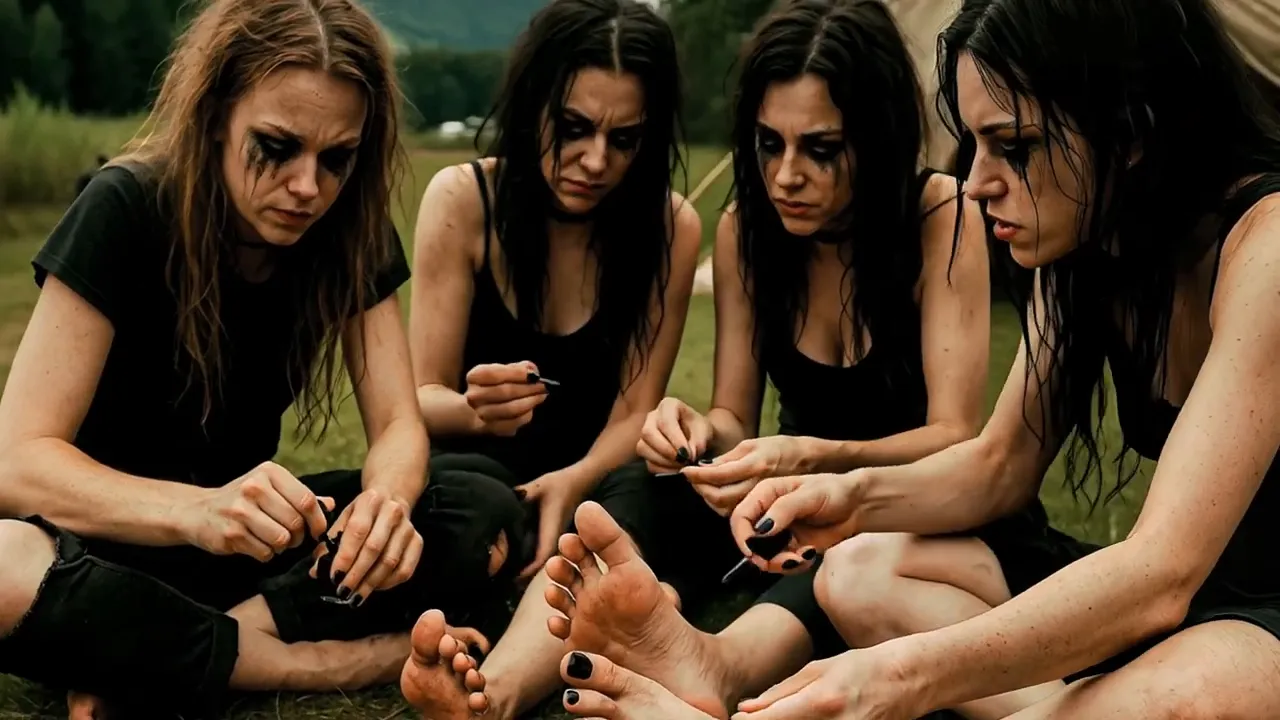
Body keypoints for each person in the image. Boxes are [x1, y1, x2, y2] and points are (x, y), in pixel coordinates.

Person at [681, 0, 1280, 717]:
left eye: (1014, 147)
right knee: (859, 571)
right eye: (974, 145)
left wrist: (900, 675)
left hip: (1248, 630)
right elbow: (999, 465)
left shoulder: (1265, 250)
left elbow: (1162, 572)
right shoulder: (1089, 245)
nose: (978, 181)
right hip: (1189, 609)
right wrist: (850, 499)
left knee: (1193, 690)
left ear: (1129, 131)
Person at [405, 1, 994, 719]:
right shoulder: (748, 230)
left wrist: (812, 457)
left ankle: (707, 660)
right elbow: (732, 420)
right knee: (637, 489)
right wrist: (688, 430)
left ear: (876, 138)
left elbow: (957, 438)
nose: (785, 174)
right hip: (776, 504)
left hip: (908, 502)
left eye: (820, 149)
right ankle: (502, 691)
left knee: (839, 543)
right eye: (768, 144)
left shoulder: (942, 216)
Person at [0, 1, 522, 718]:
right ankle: (319, 662)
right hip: (104, 539)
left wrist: (386, 508)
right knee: (0, 563)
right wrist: (197, 510)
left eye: (338, 158)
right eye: (276, 147)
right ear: (216, 116)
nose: (308, 187)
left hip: (242, 554)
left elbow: (400, 424)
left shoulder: (351, 228)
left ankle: (149, 656)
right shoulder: (124, 206)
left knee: (478, 501)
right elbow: (18, 462)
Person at [398, 0, 701, 717]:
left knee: (627, 504)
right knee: (476, 509)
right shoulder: (464, 199)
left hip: (600, 480)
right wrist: (473, 408)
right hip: (483, 479)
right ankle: (613, 613)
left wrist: (574, 481)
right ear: (532, 105)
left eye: (624, 140)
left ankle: (492, 694)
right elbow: (416, 400)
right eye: (573, 129)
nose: (596, 161)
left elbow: (636, 411)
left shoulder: (669, 227)